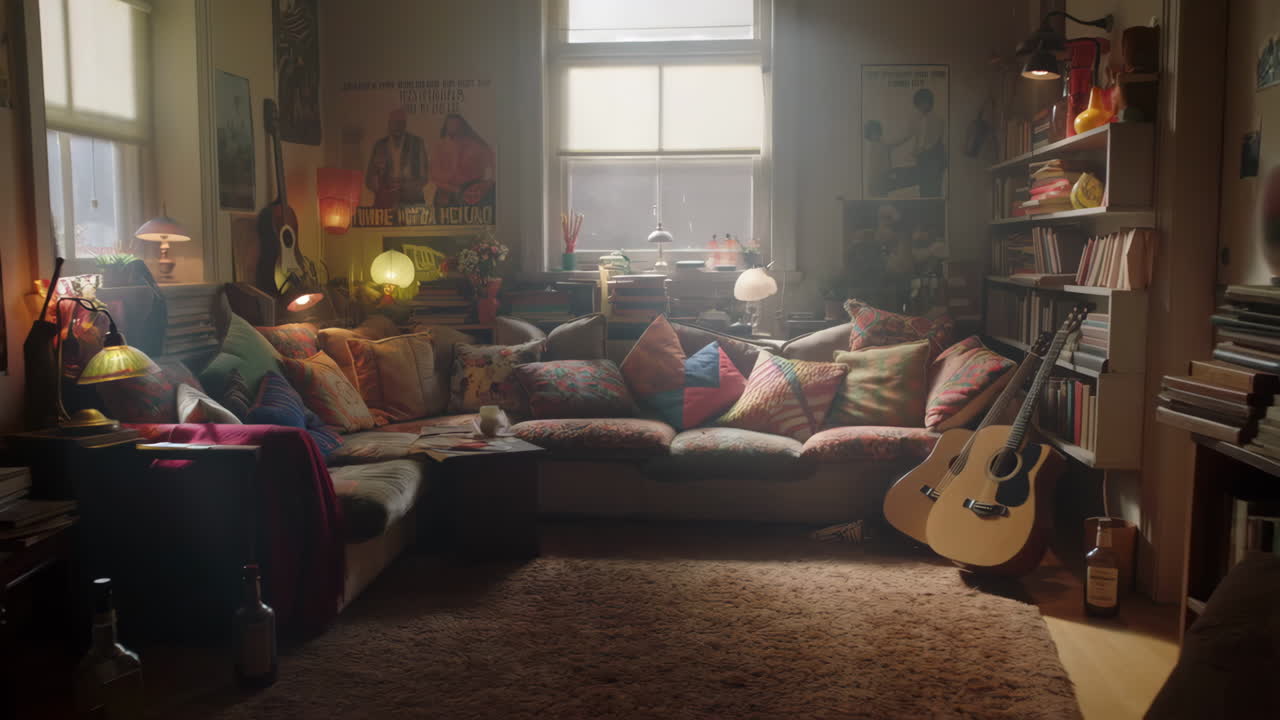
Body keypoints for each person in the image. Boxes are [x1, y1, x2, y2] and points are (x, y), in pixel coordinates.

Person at [365, 108, 429, 209]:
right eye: (394, 122)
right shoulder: (379, 145)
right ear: (389, 124)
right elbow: (369, 180)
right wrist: (383, 187)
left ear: (405, 124)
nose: (397, 126)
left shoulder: (417, 143)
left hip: (412, 203)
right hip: (385, 203)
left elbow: (424, 177)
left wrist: (406, 186)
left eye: (400, 122)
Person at [429, 113, 495, 206]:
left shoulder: (476, 145)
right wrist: (454, 189)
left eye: (459, 130)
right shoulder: (440, 147)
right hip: (446, 195)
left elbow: (492, 167)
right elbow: (433, 176)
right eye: (451, 129)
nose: (456, 138)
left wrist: (484, 185)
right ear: (446, 129)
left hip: (471, 194)